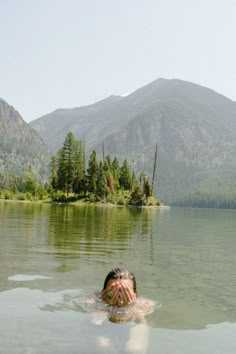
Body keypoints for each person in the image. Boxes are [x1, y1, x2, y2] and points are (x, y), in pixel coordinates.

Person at [80, 267, 155, 353]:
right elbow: (93, 320)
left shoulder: (143, 304)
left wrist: (129, 306)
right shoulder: (93, 301)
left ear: (135, 295)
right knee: (102, 347)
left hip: (130, 326)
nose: (119, 296)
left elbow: (140, 322)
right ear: (103, 293)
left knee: (135, 350)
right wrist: (107, 305)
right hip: (102, 327)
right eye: (113, 291)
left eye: (125, 291)